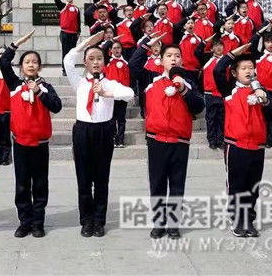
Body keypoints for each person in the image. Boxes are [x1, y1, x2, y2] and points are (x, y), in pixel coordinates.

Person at [129, 32, 205, 239]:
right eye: (169, 55)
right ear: (161, 60)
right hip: (156, 141)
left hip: (180, 142)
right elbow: (133, 67)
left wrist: (183, 89)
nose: (174, 58)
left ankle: (173, 224)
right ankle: (159, 223)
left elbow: (199, 106)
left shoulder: (189, 82)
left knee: (177, 185)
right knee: (157, 184)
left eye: (177, 55)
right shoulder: (151, 79)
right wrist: (147, 45)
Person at [64, 31, 134, 238]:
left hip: (104, 131)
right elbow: (68, 60)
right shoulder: (79, 83)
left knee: (102, 178)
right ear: (85, 63)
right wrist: (89, 42)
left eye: (99, 59)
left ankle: (99, 220)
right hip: (83, 131)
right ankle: (86, 220)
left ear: (105, 61)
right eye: (91, 59)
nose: (95, 63)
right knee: (84, 179)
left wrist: (105, 93)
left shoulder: (109, 83)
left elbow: (129, 94)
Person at [0, 30, 62, 238]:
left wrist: (39, 91)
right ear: (22, 67)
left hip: (40, 144)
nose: (31, 65)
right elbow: (3, 63)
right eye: (27, 62)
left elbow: (56, 106)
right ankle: (24, 222)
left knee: (40, 185)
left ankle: (38, 222)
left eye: (34, 62)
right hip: (20, 144)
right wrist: (17, 44)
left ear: (40, 67)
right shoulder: (14, 85)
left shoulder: (46, 87)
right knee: (22, 185)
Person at [214, 43, 272, 238]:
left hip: (257, 145)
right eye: (244, 68)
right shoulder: (229, 90)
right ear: (234, 73)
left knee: (253, 186)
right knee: (237, 184)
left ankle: (249, 219)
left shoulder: (259, 91)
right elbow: (217, 70)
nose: (249, 72)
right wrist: (233, 53)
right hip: (236, 145)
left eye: (251, 68)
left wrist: (264, 100)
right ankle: (237, 220)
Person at [105, 41, 131, 148]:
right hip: (111, 94)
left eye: (118, 48)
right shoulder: (108, 62)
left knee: (121, 119)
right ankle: (113, 138)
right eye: (114, 48)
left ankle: (120, 139)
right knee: (112, 119)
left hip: (122, 95)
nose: (116, 50)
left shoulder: (126, 63)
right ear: (110, 50)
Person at [54, 0, 80, 76]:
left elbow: (78, 21)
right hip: (65, 33)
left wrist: (78, 32)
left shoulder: (76, 8)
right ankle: (64, 70)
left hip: (74, 34)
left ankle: (71, 68)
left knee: (73, 52)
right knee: (65, 52)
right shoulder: (63, 6)